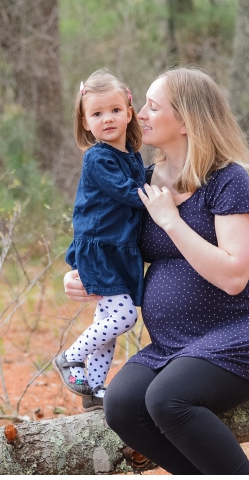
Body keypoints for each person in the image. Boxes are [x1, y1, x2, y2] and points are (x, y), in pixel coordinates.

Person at [63, 67, 249, 474]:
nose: (139, 112)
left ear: (184, 120)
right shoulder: (143, 182)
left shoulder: (227, 180)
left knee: (167, 399)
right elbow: (102, 232)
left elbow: (235, 275)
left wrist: (171, 221)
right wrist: (82, 272)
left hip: (240, 332)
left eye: (152, 105)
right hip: (173, 343)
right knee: (122, 406)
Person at [54, 69, 153, 412]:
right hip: (100, 247)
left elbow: (138, 183)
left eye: (113, 110)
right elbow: (128, 193)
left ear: (129, 111)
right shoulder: (97, 157)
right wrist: (162, 196)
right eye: (96, 114)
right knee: (124, 317)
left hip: (118, 249)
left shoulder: (132, 157)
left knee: (106, 325)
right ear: (85, 122)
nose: (107, 119)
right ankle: (70, 358)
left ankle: (94, 390)